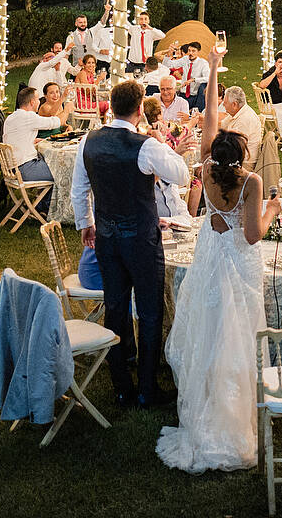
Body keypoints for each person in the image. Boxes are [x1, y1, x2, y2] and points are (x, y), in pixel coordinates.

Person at [158, 47, 279, 473]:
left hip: (210, 256)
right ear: (242, 155)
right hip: (238, 261)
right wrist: (273, 211)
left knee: (210, 330)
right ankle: (235, 416)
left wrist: (211, 67)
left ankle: (208, 401)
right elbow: (252, 235)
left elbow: (209, 112)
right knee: (241, 333)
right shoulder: (251, 182)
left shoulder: (206, 169)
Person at [71, 76, 191, 411]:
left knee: (116, 308)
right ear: (140, 109)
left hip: (107, 237)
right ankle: (147, 389)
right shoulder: (147, 145)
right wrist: (161, 142)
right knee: (150, 312)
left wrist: (86, 225)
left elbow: (78, 190)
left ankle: (122, 386)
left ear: (111, 105)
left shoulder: (88, 141)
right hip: (140, 239)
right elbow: (182, 175)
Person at [4, 86, 61, 187]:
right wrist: (67, 109)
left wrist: (31, 141)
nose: (39, 102)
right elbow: (55, 122)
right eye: (38, 99)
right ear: (32, 102)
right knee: (63, 172)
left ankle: (42, 203)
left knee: (53, 165)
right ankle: (53, 203)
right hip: (25, 168)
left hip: (11, 169)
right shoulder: (28, 116)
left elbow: (15, 137)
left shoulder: (11, 117)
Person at [219, 86, 263, 172]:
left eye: (225, 102)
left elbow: (235, 149)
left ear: (234, 104)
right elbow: (222, 125)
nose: (223, 105)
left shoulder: (245, 119)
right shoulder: (237, 112)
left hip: (243, 164)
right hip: (236, 158)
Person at [165, 42, 210, 111]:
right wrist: (168, 54)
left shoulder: (203, 63)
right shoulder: (185, 59)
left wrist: (193, 80)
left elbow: (208, 78)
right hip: (183, 94)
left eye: (193, 51)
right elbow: (168, 65)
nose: (190, 53)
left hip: (195, 96)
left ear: (198, 52)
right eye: (189, 50)